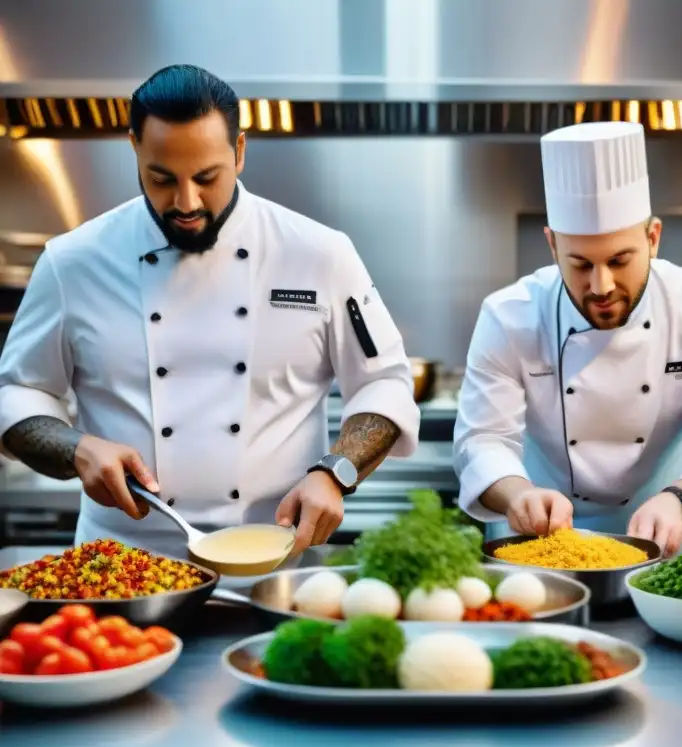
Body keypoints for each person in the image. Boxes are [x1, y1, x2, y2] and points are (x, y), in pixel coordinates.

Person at [0, 65, 420, 558]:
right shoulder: (72, 261)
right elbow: (18, 391)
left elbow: (383, 382)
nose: (185, 201)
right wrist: (77, 448)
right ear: (134, 146)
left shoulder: (318, 253)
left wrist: (336, 472)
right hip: (121, 564)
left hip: (273, 558)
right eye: (161, 179)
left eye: (206, 177)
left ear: (239, 151)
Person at [453, 121, 682, 557]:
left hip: (664, 536)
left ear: (653, 238)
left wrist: (680, 500)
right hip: (535, 543)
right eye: (580, 264)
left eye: (620, 261)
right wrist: (518, 497)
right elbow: (482, 440)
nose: (601, 285)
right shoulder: (508, 316)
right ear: (552, 245)